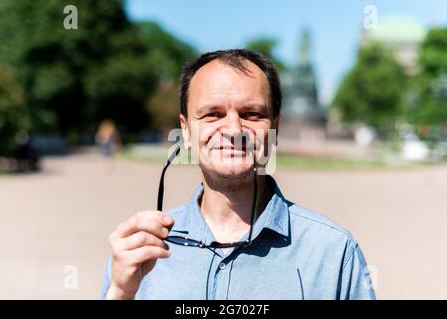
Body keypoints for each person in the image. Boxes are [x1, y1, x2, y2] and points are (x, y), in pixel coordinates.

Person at [100, 49, 376, 300]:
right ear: (185, 130)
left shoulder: (333, 252)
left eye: (251, 113)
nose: (233, 129)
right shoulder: (140, 248)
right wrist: (121, 292)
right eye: (212, 114)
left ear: (274, 128)